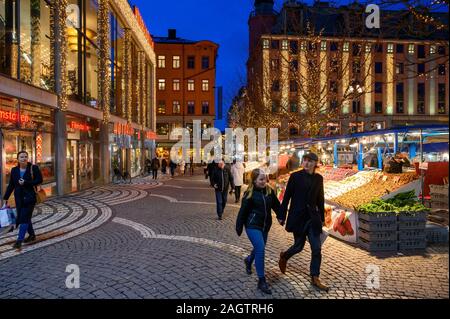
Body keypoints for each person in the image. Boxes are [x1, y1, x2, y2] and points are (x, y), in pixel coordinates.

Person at [277, 152, 329, 292]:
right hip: (298, 217)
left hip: (312, 218)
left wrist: (322, 219)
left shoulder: (319, 179)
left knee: (316, 248)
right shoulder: (295, 177)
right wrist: (281, 215)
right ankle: (285, 256)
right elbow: (286, 197)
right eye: (304, 160)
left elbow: (320, 199)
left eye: (309, 161)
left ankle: (315, 277)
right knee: (298, 246)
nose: (306, 163)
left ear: (315, 163)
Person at [236, 168, 282, 294]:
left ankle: (249, 260)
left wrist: (280, 216)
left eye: (265, 179)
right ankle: (261, 280)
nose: (264, 181)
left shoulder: (269, 191)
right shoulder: (249, 194)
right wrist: (239, 226)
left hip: (265, 226)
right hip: (252, 226)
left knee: (258, 248)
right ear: (254, 180)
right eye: (261, 179)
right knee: (260, 248)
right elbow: (242, 212)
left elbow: (277, 206)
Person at [2, 151, 43, 250]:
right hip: (19, 198)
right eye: (21, 157)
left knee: (23, 218)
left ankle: (19, 241)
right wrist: (5, 198)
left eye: (25, 156)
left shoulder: (33, 168)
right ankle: (32, 235)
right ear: (18, 159)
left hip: (30, 198)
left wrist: (26, 182)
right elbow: (12, 185)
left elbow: (39, 180)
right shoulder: (14, 170)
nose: (24, 158)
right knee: (25, 217)